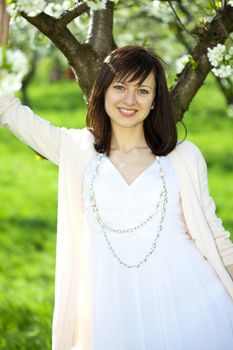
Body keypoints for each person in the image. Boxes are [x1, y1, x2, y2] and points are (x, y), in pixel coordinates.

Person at [1, 45, 233, 350]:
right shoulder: (76, 149)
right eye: (120, 87)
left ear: (154, 101)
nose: (129, 100)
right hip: (108, 303)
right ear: (103, 91)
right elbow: (7, 109)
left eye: (143, 91)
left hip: (184, 295)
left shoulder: (183, 157)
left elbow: (214, 234)